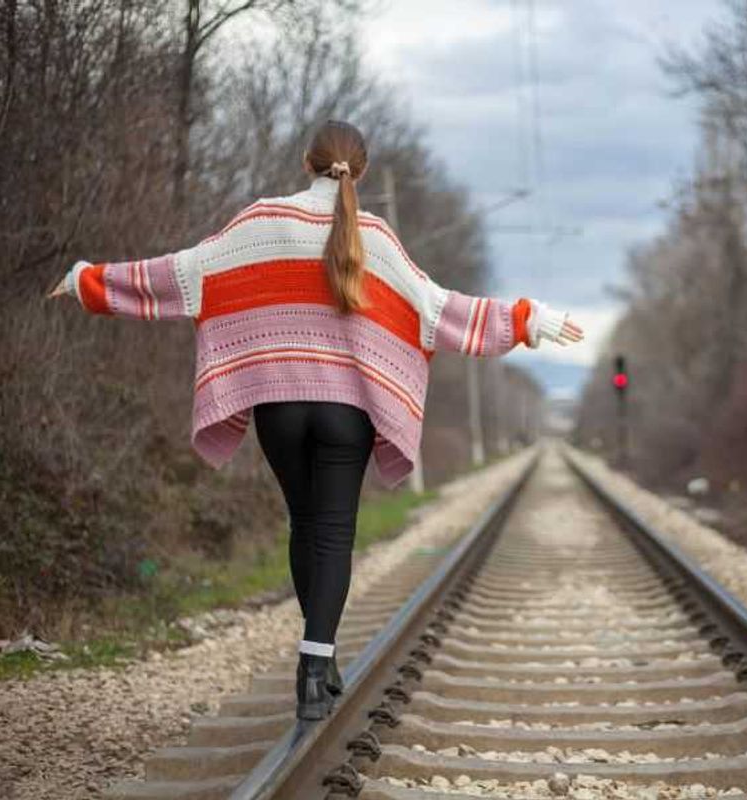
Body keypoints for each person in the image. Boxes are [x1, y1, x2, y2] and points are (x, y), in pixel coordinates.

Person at [45, 118, 584, 720]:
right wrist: (526, 320)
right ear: (362, 171)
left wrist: (90, 283)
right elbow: (440, 312)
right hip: (346, 413)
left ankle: (318, 655)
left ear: (307, 162)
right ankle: (314, 662)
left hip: (278, 409)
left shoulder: (259, 222)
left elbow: (180, 276)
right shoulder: (375, 239)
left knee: (305, 525)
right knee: (332, 532)